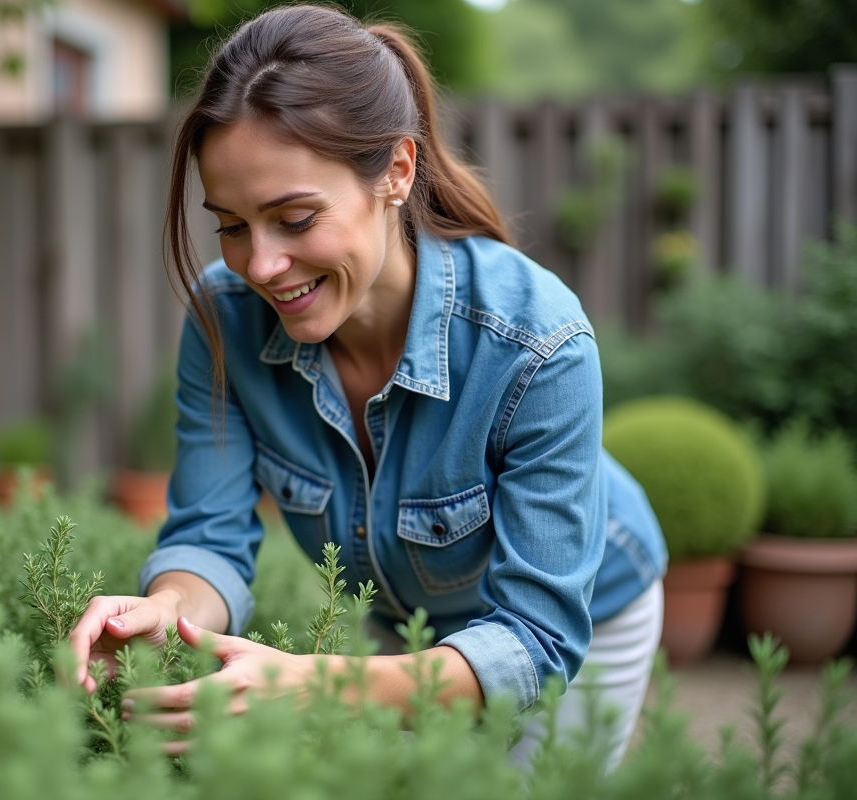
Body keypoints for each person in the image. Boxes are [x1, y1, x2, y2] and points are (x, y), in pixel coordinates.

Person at [70, 3, 667, 768]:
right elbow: (209, 536)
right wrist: (166, 609)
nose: (258, 266)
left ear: (396, 171)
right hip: (408, 624)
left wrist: (316, 683)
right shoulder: (227, 319)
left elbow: (535, 639)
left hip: (578, 617)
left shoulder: (536, 342)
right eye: (232, 224)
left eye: (294, 218)